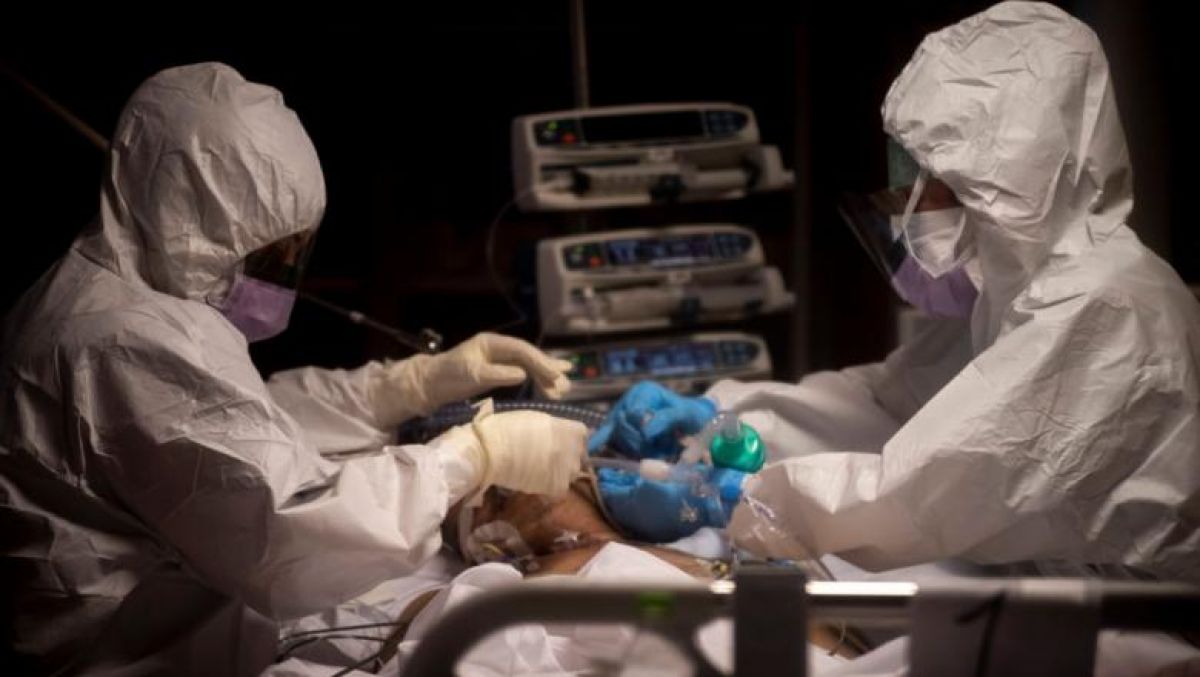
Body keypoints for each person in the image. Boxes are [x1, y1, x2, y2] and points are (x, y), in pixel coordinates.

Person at [0, 62, 586, 675]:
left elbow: (246, 424)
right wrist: (467, 458)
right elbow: (287, 530)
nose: (282, 275)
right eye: (272, 253)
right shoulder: (120, 339)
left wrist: (403, 387)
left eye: (294, 252)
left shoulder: (119, 302)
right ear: (196, 224)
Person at [590, 1, 1200, 582]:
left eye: (933, 182)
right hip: (1070, 599)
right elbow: (889, 408)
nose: (911, 208)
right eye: (911, 176)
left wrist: (734, 498)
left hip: (1150, 625)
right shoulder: (1017, 298)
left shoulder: (1103, 309)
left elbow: (923, 493)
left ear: (1013, 181)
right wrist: (726, 419)